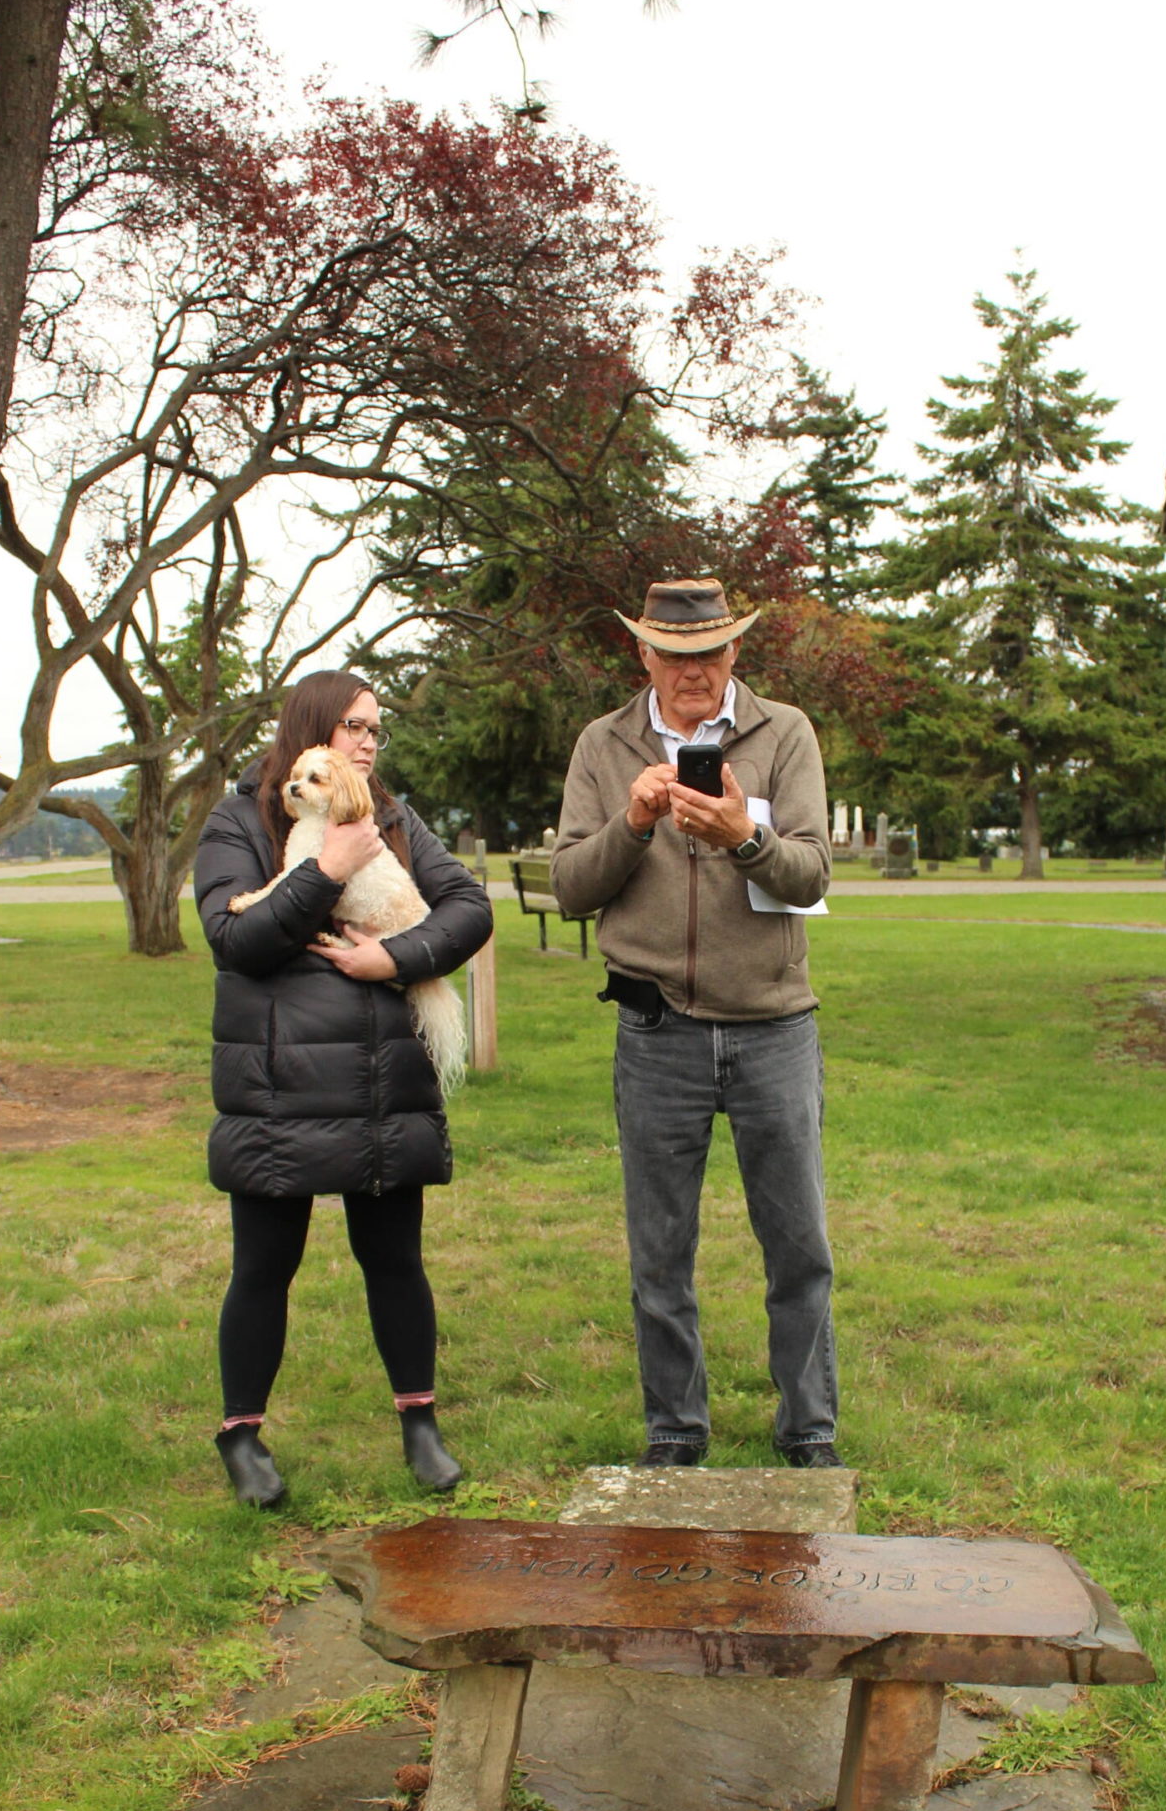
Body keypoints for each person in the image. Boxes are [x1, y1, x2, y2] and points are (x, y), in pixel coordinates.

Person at [550, 578, 839, 1469]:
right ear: (642, 654)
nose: (692, 672)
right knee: (659, 1254)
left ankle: (808, 1430)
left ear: (735, 654)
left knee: (797, 1248)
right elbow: (569, 887)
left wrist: (738, 836)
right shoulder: (602, 746)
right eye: (673, 655)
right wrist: (632, 823)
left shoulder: (783, 733)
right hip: (654, 1034)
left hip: (771, 1028)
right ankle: (675, 1431)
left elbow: (812, 873)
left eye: (709, 652)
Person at [194, 669, 492, 1507]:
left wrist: (391, 958)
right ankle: (242, 1435)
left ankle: (420, 1424)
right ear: (313, 729)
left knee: (394, 1260)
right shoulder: (238, 819)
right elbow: (232, 938)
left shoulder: (389, 814)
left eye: (374, 729)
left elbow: (467, 906)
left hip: (379, 1081)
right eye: (353, 727)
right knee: (264, 1266)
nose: (367, 742)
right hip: (278, 1083)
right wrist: (325, 869)